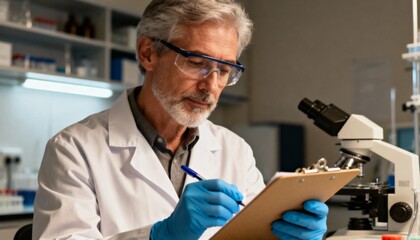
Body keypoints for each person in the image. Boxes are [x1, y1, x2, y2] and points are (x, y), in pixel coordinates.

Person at [33, 0, 328, 239]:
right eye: (197, 63)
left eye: (224, 70)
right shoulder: (73, 149)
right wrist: (160, 236)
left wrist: (288, 233)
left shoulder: (234, 150)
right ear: (148, 54)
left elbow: (253, 233)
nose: (211, 85)